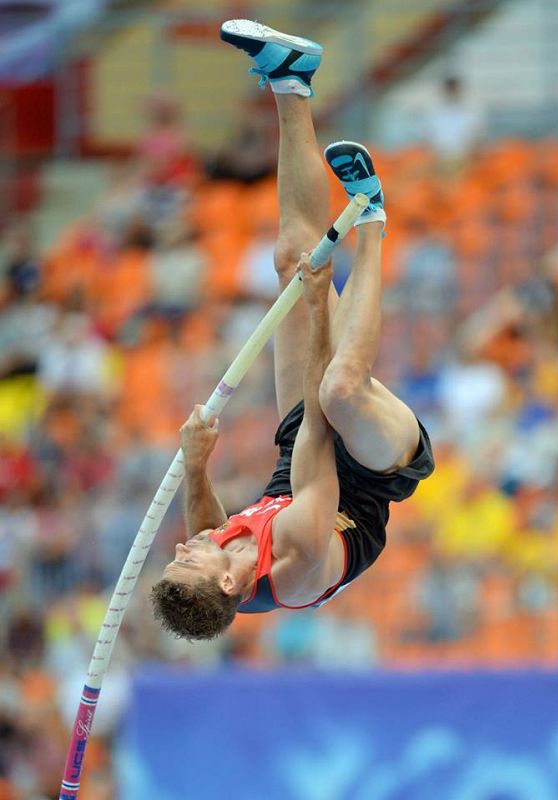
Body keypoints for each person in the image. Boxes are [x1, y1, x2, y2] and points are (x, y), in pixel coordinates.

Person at [151, 19, 435, 640]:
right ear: (230, 583)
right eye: (187, 562)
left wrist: (197, 466)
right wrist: (315, 309)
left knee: (290, 259)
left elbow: (205, 522)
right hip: (371, 471)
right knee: (337, 387)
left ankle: (289, 79)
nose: (181, 548)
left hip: (303, 457)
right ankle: (373, 219)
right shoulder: (297, 560)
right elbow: (315, 425)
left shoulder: (219, 559)